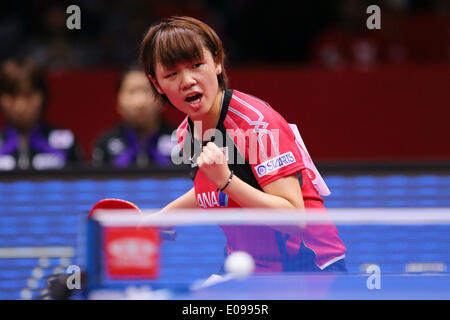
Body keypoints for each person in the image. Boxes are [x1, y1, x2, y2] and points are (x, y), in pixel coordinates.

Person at [139, 16, 346, 273]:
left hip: (308, 266)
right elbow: (210, 186)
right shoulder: (186, 134)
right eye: (172, 74)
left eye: (196, 65)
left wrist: (227, 181)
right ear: (157, 84)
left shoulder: (258, 124)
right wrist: (162, 218)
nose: (187, 80)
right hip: (251, 266)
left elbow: (295, 219)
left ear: (217, 62)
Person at [0, 57, 83, 170]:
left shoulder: (66, 143)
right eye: (12, 96)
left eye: (28, 95)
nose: (20, 107)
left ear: (43, 96)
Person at [92, 65, 177, 168]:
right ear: (118, 102)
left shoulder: (180, 142)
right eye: (131, 92)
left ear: (162, 99)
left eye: (147, 91)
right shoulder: (104, 144)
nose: (139, 103)